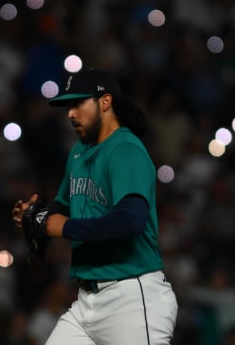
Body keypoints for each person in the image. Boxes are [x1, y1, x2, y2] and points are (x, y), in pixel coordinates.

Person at [12, 68, 178, 344]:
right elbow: (63, 209)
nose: (70, 113)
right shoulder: (79, 151)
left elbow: (131, 220)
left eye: (78, 103)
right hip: (87, 301)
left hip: (132, 298)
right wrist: (35, 216)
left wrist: (62, 227)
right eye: (68, 105)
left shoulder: (125, 149)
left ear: (105, 102)